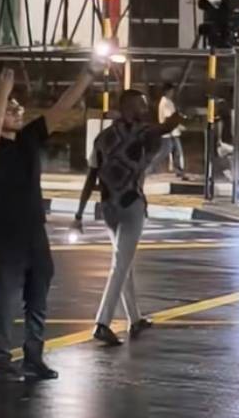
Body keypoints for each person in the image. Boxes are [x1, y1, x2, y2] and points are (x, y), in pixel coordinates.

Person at [0, 62, 99, 381]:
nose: (18, 111)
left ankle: (34, 356)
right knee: (6, 296)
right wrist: (2, 92)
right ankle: (1, 360)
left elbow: (62, 107)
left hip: (35, 231)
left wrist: (88, 73)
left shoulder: (29, 137)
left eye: (18, 107)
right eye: (10, 108)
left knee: (38, 292)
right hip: (6, 234)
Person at [74, 89, 182, 346]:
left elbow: (91, 177)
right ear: (128, 108)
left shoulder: (103, 138)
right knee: (121, 264)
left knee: (124, 261)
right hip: (131, 204)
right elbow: (171, 124)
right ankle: (102, 322)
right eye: (141, 106)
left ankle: (135, 318)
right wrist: (182, 105)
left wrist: (79, 213)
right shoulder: (141, 133)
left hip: (108, 207)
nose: (144, 110)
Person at [157, 82, 186, 177]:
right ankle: (179, 170)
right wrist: (178, 125)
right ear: (167, 91)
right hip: (171, 132)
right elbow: (169, 117)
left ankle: (178, 170)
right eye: (171, 91)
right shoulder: (165, 102)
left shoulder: (167, 102)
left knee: (171, 151)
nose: (172, 93)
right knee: (174, 151)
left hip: (170, 132)